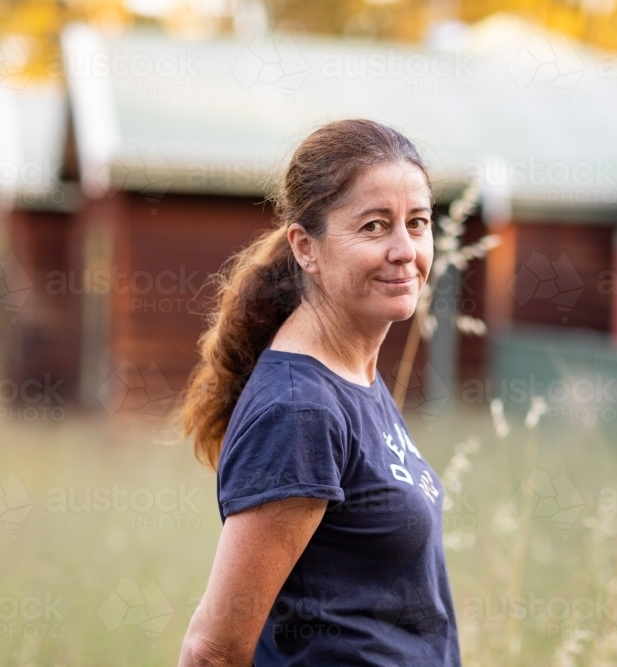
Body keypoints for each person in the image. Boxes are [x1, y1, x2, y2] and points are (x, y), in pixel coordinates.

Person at [176, 118, 461, 666]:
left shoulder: (353, 374)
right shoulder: (300, 409)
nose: (405, 249)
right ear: (306, 247)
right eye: (375, 227)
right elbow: (212, 651)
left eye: (418, 222)